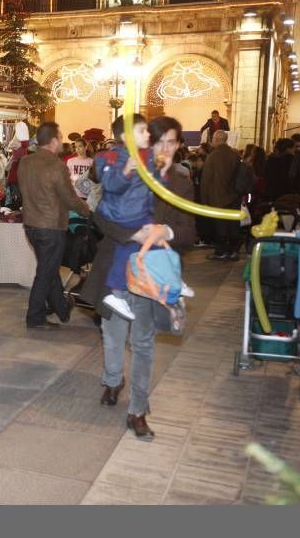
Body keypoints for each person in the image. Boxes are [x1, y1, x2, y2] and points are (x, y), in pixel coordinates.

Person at [80, 116, 178, 442]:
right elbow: (101, 217)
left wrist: (163, 231)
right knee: (112, 333)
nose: (154, 139)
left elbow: (187, 228)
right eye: (143, 131)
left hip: (150, 270)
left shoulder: (167, 174)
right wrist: (135, 234)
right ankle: (112, 380)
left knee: (143, 344)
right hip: (115, 269)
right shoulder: (112, 161)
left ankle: (137, 410)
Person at [95, 114, 171, 321]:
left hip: (140, 212)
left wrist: (163, 172)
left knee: (155, 244)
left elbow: (157, 188)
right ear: (126, 136)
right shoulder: (110, 157)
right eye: (142, 130)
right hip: (122, 214)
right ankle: (115, 290)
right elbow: (110, 185)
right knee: (130, 248)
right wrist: (126, 170)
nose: (148, 134)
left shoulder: (146, 157)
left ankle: (170, 284)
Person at [18, 122, 91, 329]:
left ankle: (61, 308)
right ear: (53, 141)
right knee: (46, 273)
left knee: (48, 269)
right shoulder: (56, 165)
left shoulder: (25, 162)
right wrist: (88, 209)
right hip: (51, 227)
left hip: (31, 225)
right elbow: (70, 199)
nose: (62, 142)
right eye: (60, 138)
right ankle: (35, 317)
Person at [149, 117, 196, 251]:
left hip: (159, 260)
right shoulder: (130, 174)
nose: (164, 149)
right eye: (159, 142)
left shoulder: (183, 185)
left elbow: (188, 234)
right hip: (121, 259)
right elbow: (102, 217)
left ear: (177, 146)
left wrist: (166, 232)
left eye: (170, 143)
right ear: (150, 144)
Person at [200, 130, 243, 261]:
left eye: (212, 138)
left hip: (217, 197)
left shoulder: (213, 156)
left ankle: (221, 252)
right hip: (234, 196)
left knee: (220, 226)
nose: (211, 141)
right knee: (233, 225)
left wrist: (204, 199)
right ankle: (234, 251)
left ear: (218, 139)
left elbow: (206, 179)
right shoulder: (234, 155)